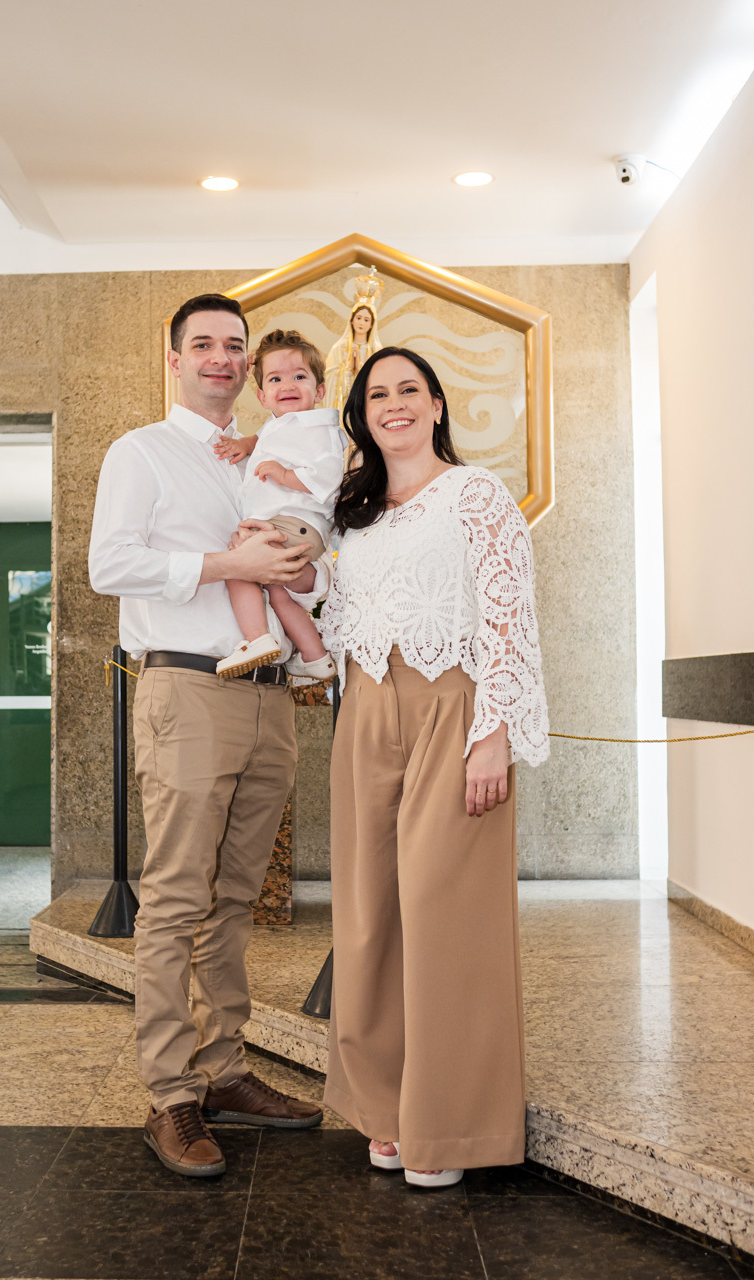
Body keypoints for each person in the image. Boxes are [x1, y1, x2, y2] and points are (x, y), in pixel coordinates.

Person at [89, 293, 325, 1180]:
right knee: (177, 899)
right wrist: (230, 564)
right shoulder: (141, 451)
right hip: (188, 686)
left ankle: (223, 1069)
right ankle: (170, 1093)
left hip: (271, 696)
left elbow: (307, 572)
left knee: (234, 900)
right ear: (175, 358)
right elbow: (109, 564)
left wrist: (310, 570)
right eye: (204, 344)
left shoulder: (264, 457)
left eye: (234, 345)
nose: (221, 358)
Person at [317, 346, 549, 1188]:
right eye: (378, 394)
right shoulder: (353, 512)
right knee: (368, 914)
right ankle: (385, 1107)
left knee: (446, 913)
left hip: (454, 704)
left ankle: (449, 1127)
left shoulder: (477, 495)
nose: (395, 404)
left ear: (438, 404)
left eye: (409, 390)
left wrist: (494, 733)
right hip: (364, 707)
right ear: (362, 414)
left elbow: (510, 615)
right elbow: (338, 615)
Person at [213, 329, 341, 682]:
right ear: (262, 395)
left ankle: (256, 638)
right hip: (291, 525)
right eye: (275, 379)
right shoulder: (282, 425)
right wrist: (248, 444)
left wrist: (285, 476)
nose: (287, 385)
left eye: (299, 377)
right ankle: (315, 658)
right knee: (277, 592)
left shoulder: (320, 428)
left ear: (319, 390)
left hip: (294, 524)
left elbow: (329, 477)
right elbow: (271, 435)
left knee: (236, 563)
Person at [323, 269, 383, 415]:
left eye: (366, 319)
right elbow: (329, 379)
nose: (362, 323)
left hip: (368, 406)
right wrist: (347, 370)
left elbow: (384, 379)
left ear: (371, 324)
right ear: (351, 320)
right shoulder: (339, 348)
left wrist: (361, 369)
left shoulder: (376, 350)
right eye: (359, 318)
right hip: (344, 404)